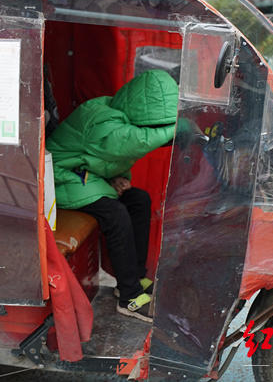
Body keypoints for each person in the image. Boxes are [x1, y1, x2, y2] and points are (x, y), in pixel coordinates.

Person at [46, 69, 178, 322]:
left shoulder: (122, 116)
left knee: (139, 199)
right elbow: (131, 141)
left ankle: (135, 277)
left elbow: (107, 157)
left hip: (85, 175)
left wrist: (115, 178)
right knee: (116, 214)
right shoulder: (101, 118)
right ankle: (129, 297)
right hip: (62, 178)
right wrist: (180, 125)